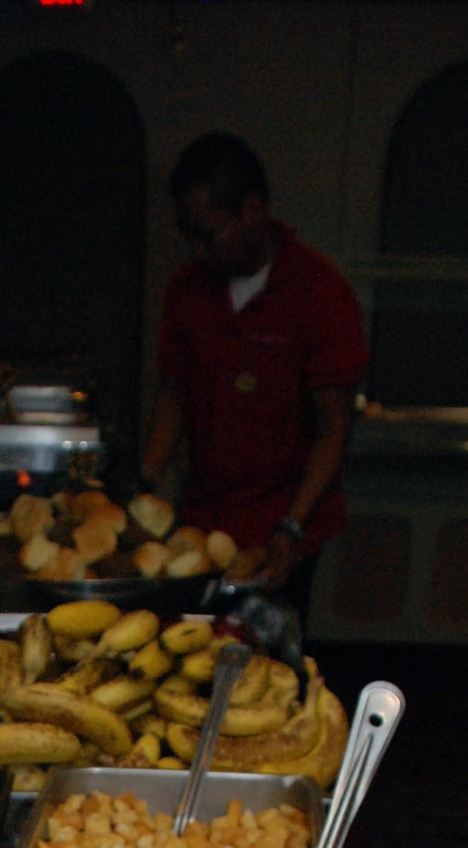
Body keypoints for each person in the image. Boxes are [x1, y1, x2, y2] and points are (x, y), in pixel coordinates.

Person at [139, 133, 367, 623]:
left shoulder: (318, 292)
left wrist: (293, 525)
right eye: (188, 237)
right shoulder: (188, 288)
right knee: (194, 645)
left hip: (283, 520)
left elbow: (334, 428)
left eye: (208, 235)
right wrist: (149, 477)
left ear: (252, 210)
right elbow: (173, 392)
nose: (197, 252)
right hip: (205, 516)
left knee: (267, 652)